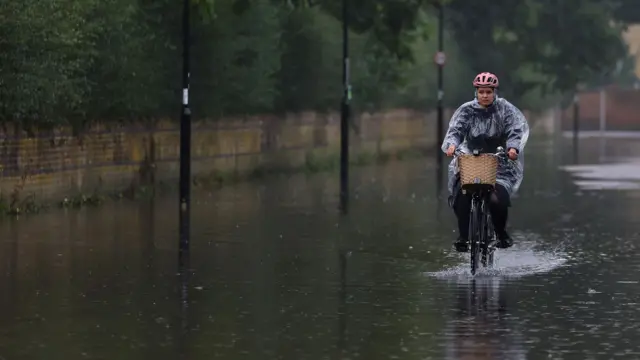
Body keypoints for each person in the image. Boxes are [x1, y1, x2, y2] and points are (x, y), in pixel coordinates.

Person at [441, 72, 529, 252]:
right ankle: (464, 236)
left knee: (498, 199)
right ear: (476, 92)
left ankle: (501, 233)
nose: (485, 95)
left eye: (488, 92)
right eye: (481, 92)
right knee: (462, 193)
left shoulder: (505, 109)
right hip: (471, 160)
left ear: (494, 92)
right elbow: (456, 130)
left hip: (500, 161)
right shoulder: (467, 110)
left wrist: (512, 148)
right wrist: (451, 145)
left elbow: (514, 129)